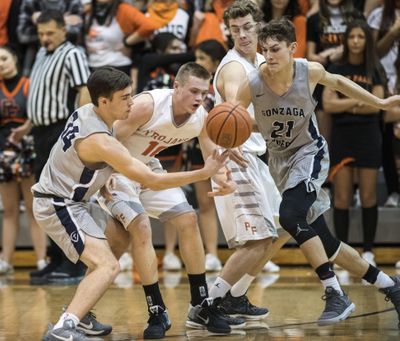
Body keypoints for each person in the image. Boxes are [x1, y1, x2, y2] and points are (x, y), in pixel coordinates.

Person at [35, 66, 229, 341]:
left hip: (94, 188)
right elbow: (149, 178)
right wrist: (203, 174)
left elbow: (151, 169)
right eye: (125, 97)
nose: (132, 101)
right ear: (105, 101)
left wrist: (221, 174)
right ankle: (65, 328)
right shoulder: (107, 137)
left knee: (120, 241)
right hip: (62, 201)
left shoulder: (88, 112)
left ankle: (83, 313)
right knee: (112, 261)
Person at [234, 17, 400, 327]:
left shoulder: (307, 71)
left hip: (310, 154)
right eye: (265, 50)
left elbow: (338, 83)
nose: (269, 56)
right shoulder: (252, 83)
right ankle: (390, 286)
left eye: (276, 49)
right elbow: (232, 115)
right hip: (279, 162)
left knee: (290, 216)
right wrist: (227, 145)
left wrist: (379, 101)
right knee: (325, 242)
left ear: (292, 48)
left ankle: (335, 292)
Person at [99, 62, 243, 338]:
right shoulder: (147, 106)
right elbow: (107, 141)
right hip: (115, 172)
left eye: (204, 92)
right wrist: (102, 177)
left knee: (188, 219)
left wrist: (224, 179)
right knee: (140, 227)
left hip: (147, 168)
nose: (199, 98)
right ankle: (156, 310)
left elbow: (211, 154)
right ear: (176, 87)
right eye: (193, 91)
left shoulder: (201, 117)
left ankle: (200, 304)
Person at [206, 0, 286, 324]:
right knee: (257, 240)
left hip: (255, 158)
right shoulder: (235, 68)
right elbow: (232, 116)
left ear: (260, 26)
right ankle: (208, 305)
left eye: (247, 27)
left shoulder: (260, 62)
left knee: (283, 225)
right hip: (236, 158)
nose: (241, 34)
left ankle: (236, 296)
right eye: (234, 29)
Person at [10, 9, 91, 285]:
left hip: (59, 131)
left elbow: (84, 90)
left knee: (60, 197)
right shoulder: (44, 53)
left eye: (49, 33)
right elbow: (41, 96)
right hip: (41, 132)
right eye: (41, 33)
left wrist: (80, 130)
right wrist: (28, 126)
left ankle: (74, 263)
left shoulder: (72, 54)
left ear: (62, 30)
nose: (44, 38)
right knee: (45, 197)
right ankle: (57, 259)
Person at [323, 20, 384, 266]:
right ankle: (343, 254)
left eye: (361, 36)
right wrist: (360, 102)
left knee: (369, 195)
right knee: (341, 197)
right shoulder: (337, 67)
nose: (356, 41)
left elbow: (377, 105)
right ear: (346, 40)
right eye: (352, 37)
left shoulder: (374, 67)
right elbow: (328, 105)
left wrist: (346, 100)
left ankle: (368, 250)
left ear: (366, 40)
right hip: (343, 136)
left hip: (369, 136)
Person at [0, 45, 47, 274]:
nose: (0, 63)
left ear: (15, 59)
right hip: (3, 153)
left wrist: (25, 128)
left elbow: (37, 115)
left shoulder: (29, 84)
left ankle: (41, 259)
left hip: (27, 150)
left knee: (32, 208)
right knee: (8, 210)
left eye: (4, 58)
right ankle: (5, 261)